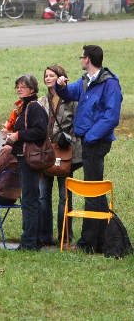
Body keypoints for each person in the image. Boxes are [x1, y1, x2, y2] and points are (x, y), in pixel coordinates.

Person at [55, 45, 122, 253]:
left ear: (89, 59)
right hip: (86, 140)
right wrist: (60, 86)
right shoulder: (85, 81)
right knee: (95, 188)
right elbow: (69, 93)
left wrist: (91, 136)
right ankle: (102, 238)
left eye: (82, 57)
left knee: (93, 190)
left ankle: (89, 242)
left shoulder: (109, 84)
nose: (80, 59)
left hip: (96, 142)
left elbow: (111, 116)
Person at [37, 65, 82, 247]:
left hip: (64, 152)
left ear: (61, 77)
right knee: (43, 196)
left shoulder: (70, 99)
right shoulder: (42, 101)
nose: (48, 78)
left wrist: (68, 138)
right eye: (46, 76)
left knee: (65, 197)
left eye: (52, 75)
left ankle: (65, 238)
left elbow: (78, 123)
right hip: (45, 153)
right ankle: (44, 236)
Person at [4, 74, 48, 251]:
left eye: (23, 86)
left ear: (32, 89)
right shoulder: (25, 107)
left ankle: (29, 242)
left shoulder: (34, 107)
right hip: (23, 158)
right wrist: (10, 136)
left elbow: (40, 131)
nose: (19, 89)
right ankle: (33, 239)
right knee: (31, 199)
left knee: (30, 201)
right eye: (17, 86)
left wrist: (17, 136)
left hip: (29, 160)